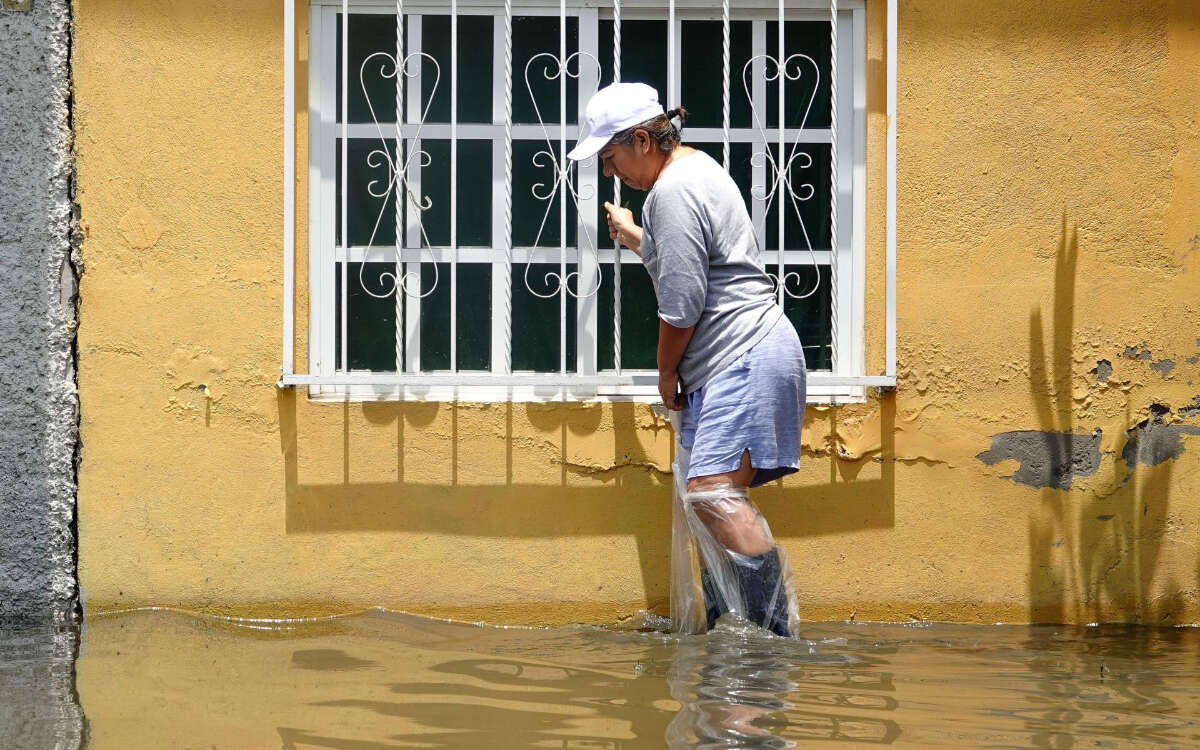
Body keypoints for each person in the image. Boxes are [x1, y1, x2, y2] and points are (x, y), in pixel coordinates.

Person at [567, 82, 804, 637]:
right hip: (746, 351)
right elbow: (698, 259)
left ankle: (772, 640)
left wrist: (666, 370)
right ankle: (735, 637)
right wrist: (639, 239)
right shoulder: (696, 169)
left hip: (741, 352)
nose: (609, 172)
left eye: (610, 157)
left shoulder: (670, 192)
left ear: (643, 140)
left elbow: (683, 301)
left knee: (711, 494)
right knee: (713, 498)